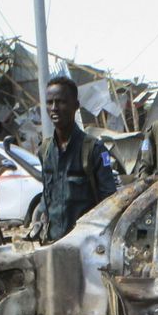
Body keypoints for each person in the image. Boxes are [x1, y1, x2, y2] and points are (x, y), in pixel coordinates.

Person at [39, 76, 118, 242]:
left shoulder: (94, 150)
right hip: (52, 244)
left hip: (85, 246)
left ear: (75, 106)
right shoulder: (45, 150)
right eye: (49, 102)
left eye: (61, 102)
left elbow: (110, 203)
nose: (54, 108)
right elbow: (46, 197)